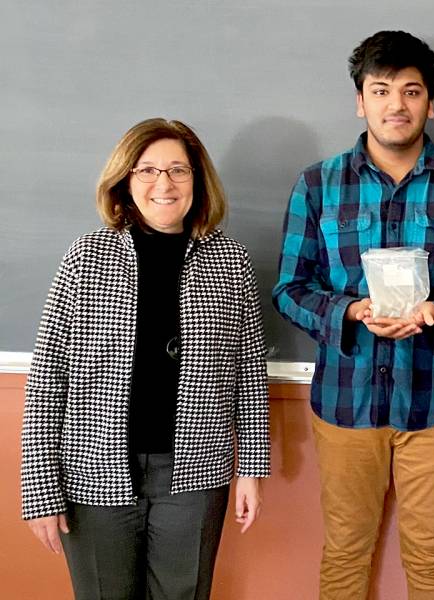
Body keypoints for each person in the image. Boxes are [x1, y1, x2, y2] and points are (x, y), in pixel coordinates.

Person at [272, 30, 434, 600]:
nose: (395, 105)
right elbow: (288, 288)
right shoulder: (317, 185)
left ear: (432, 102)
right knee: (346, 552)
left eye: (411, 91)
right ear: (360, 100)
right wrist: (348, 310)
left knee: (433, 555)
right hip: (344, 402)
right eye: (381, 91)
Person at [21, 118, 271, 600]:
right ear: (124, 181)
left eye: (178, 170)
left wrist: (251, 470)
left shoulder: (232, 260)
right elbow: (46, 378)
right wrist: (39, 493)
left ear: (198, 181)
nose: (164, 184)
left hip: (196, 474)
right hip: (93, 471)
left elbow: (250, 375)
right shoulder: (85, 257)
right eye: (147, 170)